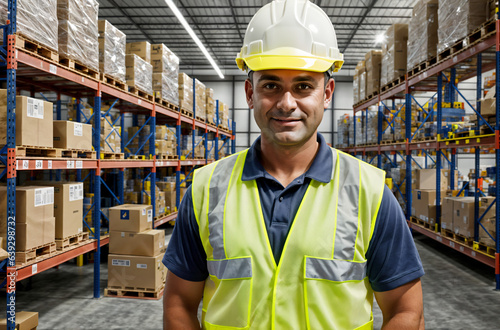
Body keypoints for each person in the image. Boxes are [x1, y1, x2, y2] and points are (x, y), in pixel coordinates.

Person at [162, 0, 425, 329]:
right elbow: (179, 303)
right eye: (271, 85)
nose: (287, 104)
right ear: (249, 93)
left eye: (303, 86)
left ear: (327, 93)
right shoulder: (206, 188)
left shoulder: (368, 192)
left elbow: (405, 310)